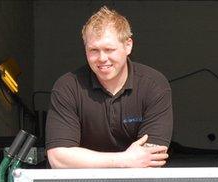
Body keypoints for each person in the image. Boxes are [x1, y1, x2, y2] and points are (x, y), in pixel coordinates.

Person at [46, 6, 172, 168]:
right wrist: (124, 160)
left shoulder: (154, 85)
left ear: (128, 46)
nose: (102, 58)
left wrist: (83, 160)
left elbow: (151, 159)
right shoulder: (67, 87)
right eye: (93, 50)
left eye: (109, 49)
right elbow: (58, 159)